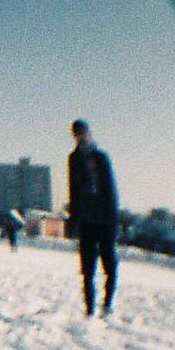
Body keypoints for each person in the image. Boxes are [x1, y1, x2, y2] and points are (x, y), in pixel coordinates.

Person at [67, 118, 121, 315]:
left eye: (82, 132)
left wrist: (114, 221)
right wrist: (73, 220)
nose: (80, 137)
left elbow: (110, 189)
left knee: (110, 265)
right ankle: (89, 309)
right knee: (87, 269)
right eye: (76, 134)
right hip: (86, 221)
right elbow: (73, 190)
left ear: (89, 133)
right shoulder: (73, 159)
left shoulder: (101, 157)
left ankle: (107, 304)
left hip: (106, 221)